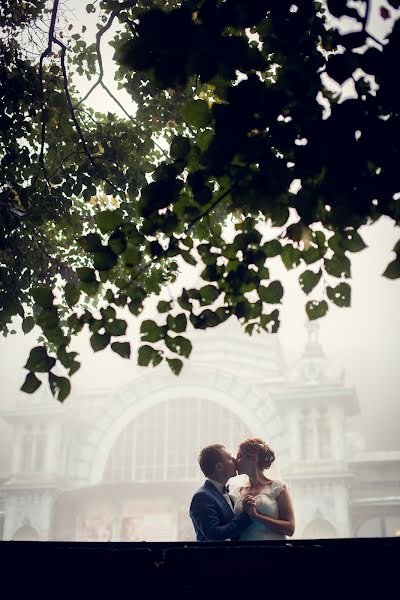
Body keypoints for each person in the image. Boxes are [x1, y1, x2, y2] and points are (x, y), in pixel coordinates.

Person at [231, 437, 295, 541]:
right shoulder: (236, 493)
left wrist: (256, 516)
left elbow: (290, 529)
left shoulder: (278, 488)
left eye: (239, 456)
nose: (235, 461)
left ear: (253, 458)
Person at [189, 444, 252, 541]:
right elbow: (214, 535)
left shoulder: (229, 493)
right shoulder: (202, 497)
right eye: (230, 458)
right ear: (219, 467)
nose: (235, 460)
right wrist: (246, 515)